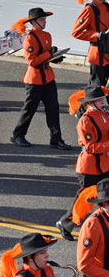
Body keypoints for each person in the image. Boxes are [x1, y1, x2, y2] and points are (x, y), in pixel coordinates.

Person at [9, 8, 70, 149]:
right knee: (29, 110)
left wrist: (55, 58)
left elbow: (45, 57)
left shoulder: (47, 35)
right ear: (33, 22)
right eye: (42, 20)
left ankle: (56, 139)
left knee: (53, 109)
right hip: (34, 79)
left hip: (48, 77)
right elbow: (32, 61)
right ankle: (17, 135)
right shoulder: (30, 38)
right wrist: (50, 53)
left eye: (44, 19)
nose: (45, 21)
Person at [57, 85, 109, 240]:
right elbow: (91, 147)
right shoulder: (84, 122)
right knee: (85, 199)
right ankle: (65, 223)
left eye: (102, 98)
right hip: (89, 167)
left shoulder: (103, 113)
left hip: (104, 162)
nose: (102, 101)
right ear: (90, 103)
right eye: (98, 99)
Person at [72, 0, 109, 87]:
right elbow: (75, 32)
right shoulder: (89, 10)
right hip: (98, 55)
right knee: (96, 89)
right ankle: (89, 105)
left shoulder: (107, 7)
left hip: (108, 51)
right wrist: (96, 35)